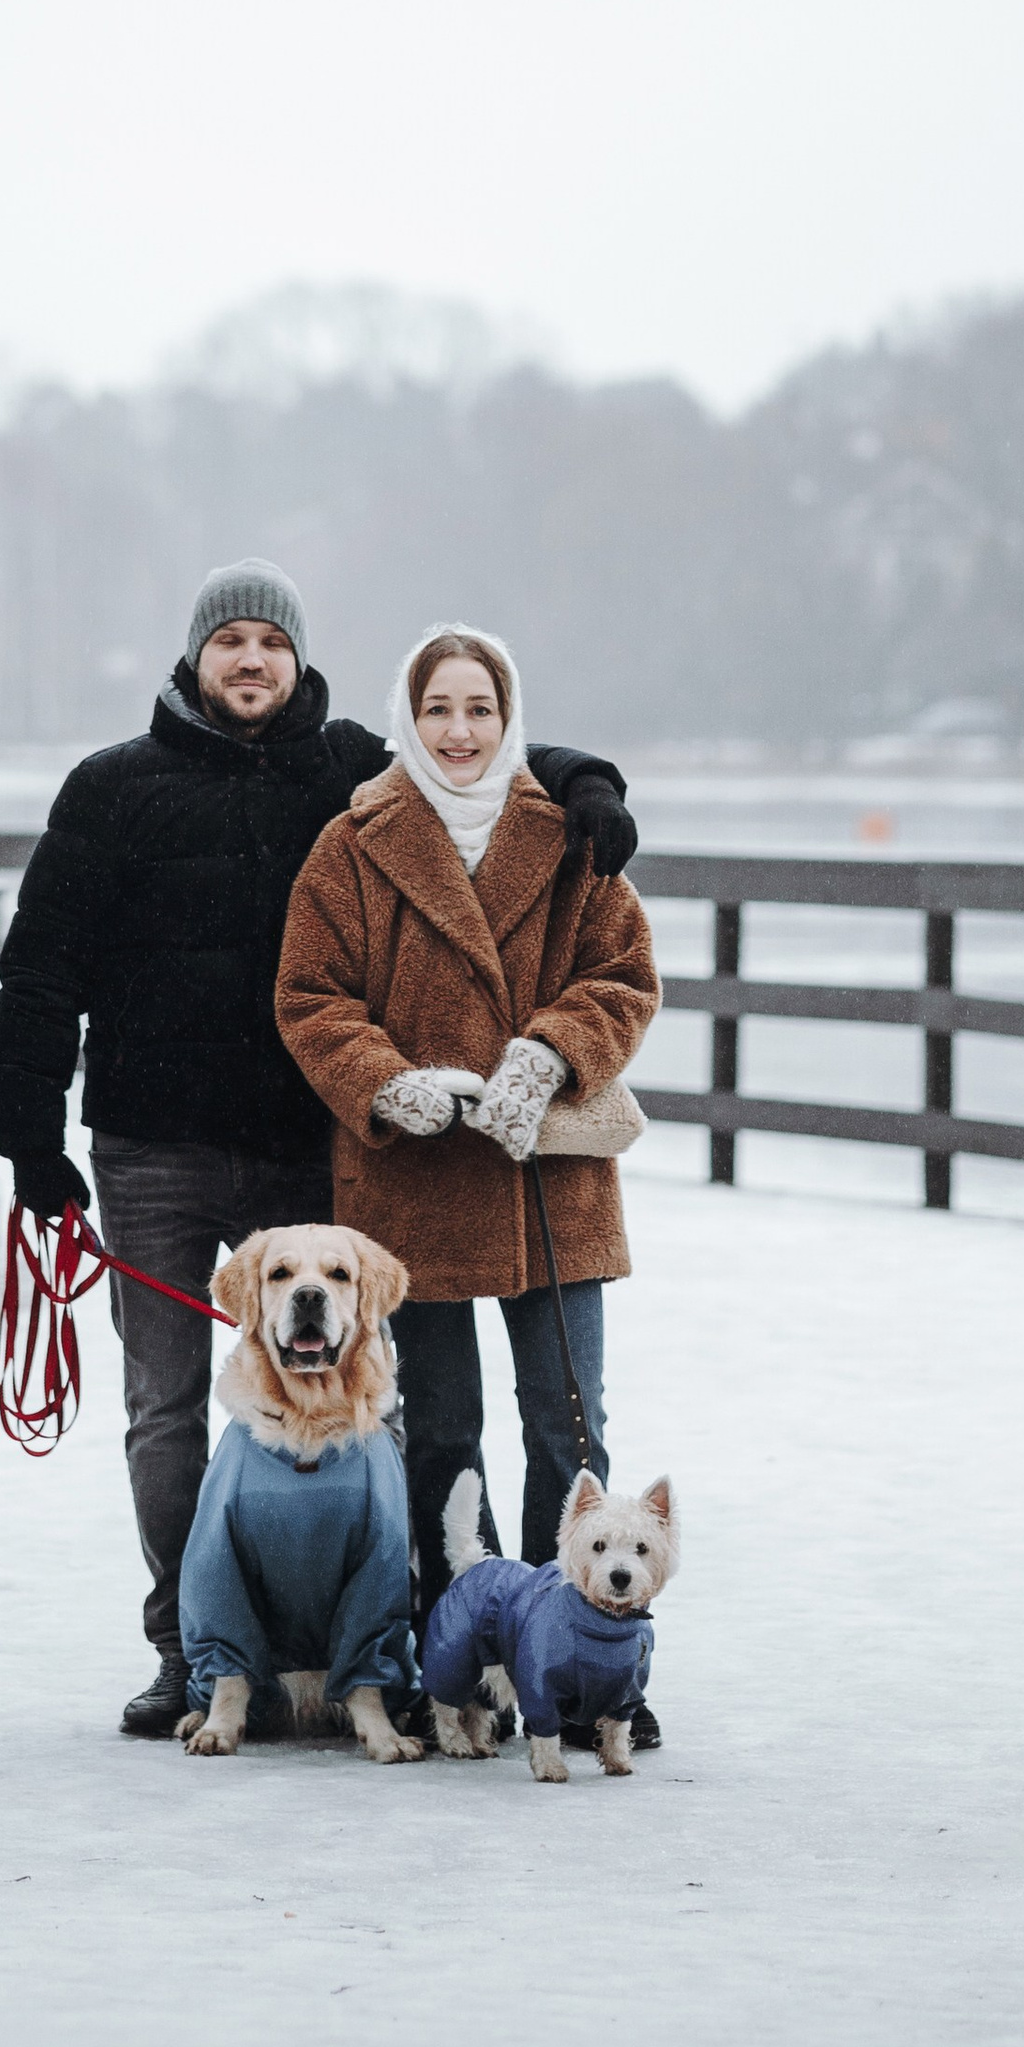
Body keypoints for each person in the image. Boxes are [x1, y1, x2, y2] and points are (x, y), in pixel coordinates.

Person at [0, 561, 637, 1739]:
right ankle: (190, 1647)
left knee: (370, 1400)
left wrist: (588, 780)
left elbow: (475, 745)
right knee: (166, 1408)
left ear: (299, 661)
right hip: (155, 1145)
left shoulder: (346, 767)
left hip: (306, 1153)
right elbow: (39, 971)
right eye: (229, 641)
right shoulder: (111, 788)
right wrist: (29, 1137)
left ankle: (390, 1640)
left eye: (270, 644)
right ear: (194, 659)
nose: (251, 661)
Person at [272, 623, 659, 1733]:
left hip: (549, 1185)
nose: (457, 731)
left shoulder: (571, 836)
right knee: (441, 1434)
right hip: (414, 1191)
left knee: (566, 1432)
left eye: (478, 709)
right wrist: (384, 1081)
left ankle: (581, 1656)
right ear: (409, 715)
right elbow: (308, 995)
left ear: (509, 716)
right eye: (437, 708)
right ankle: (465, 1661)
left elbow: (624, 974)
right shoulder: (353, 843)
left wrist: (548, 1050)